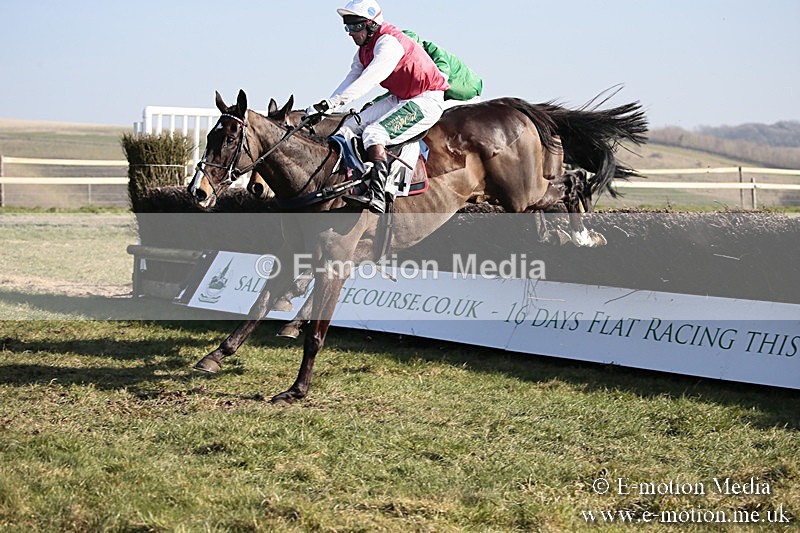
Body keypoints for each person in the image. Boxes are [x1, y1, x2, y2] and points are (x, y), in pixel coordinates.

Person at [304, 0, 450, 214]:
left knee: (374, 133)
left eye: (355, 26)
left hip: (426, 99)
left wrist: (332, 104)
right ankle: (353, 179)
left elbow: (368, 81)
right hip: (401, 97)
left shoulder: (388, 44)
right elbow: (350, 80)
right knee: (348, 127)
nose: (350, 33)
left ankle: (378, 194)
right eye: (347, 26)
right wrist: (325, 107)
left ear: (371, 25)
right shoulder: (363, 51)